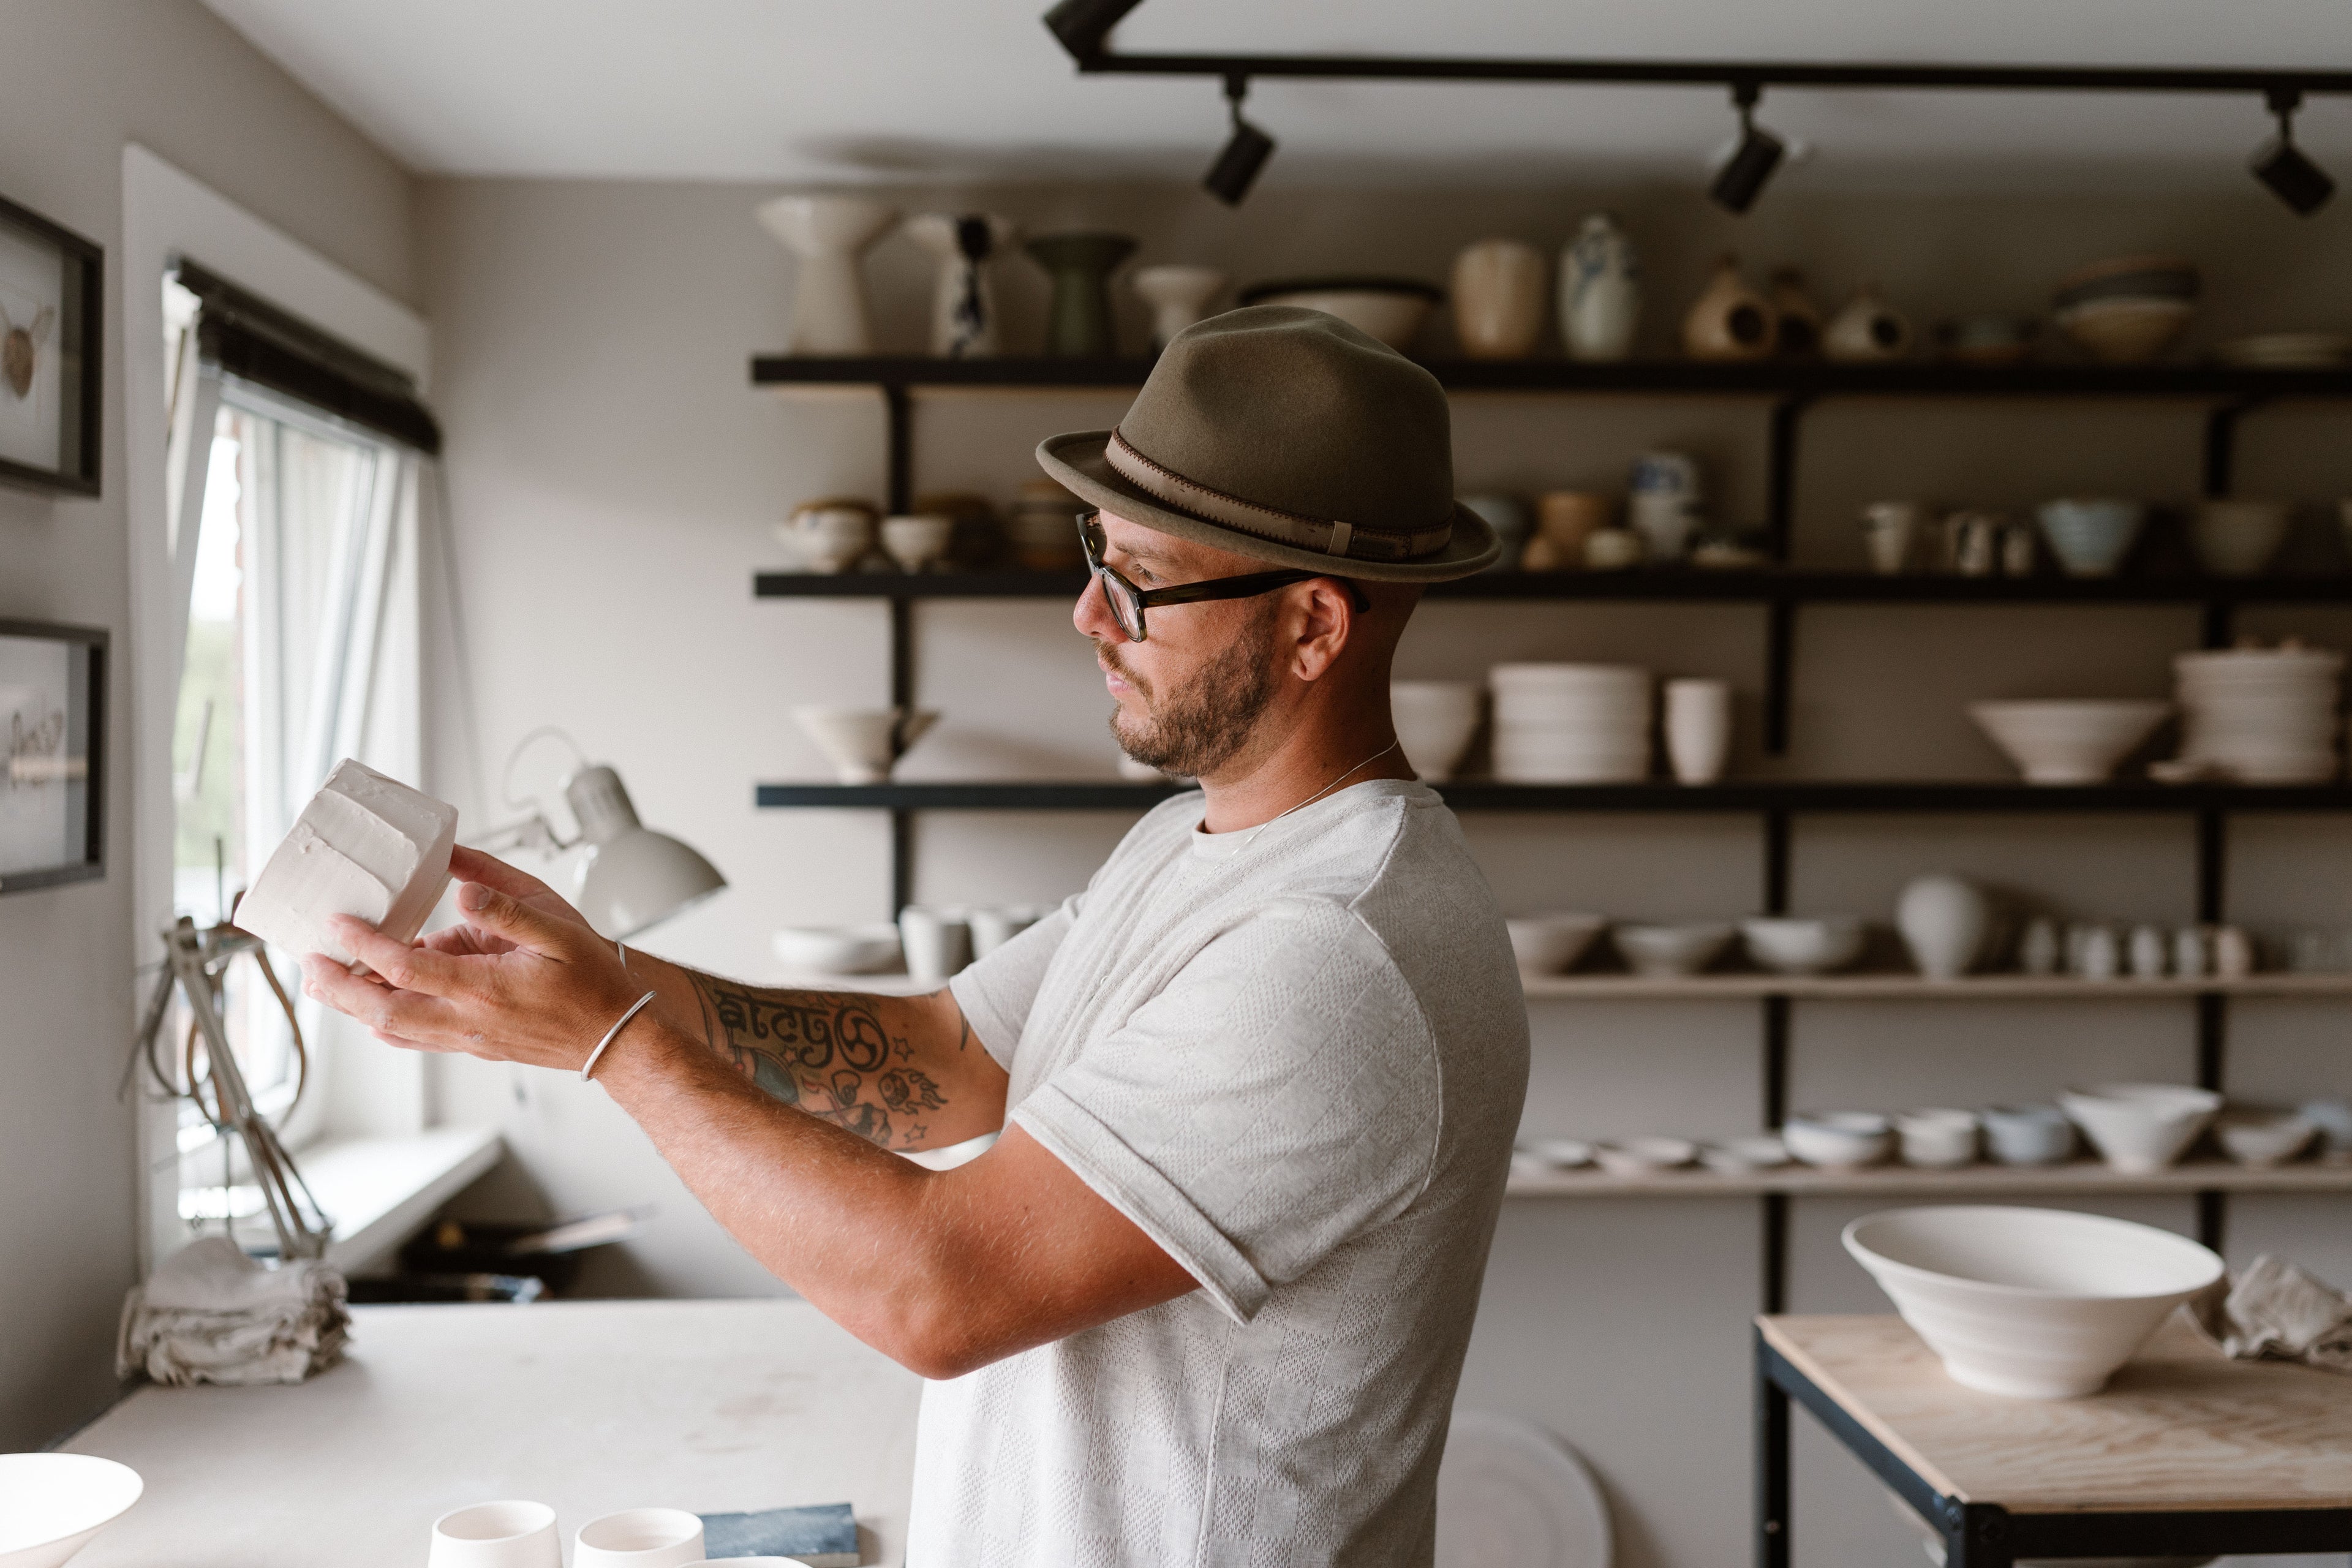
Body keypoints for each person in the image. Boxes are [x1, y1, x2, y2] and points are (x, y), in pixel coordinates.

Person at [302, 306, 1529, 1567]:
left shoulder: (1336, 954)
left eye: (1142, 582)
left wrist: (613, 1044)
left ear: (1316, 625)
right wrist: (596, 975)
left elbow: (939, 1290)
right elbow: (945, 1053)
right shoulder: (1192, 843)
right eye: (1097, 549)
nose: (1088, 615)